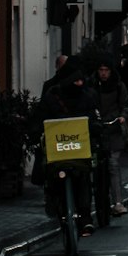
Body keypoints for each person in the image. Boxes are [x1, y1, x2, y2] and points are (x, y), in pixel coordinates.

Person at [36, 58, 99, 234]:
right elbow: (40, 116)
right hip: (66, 150)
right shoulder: (53, 96)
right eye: (76, 80)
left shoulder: (85, 96)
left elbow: (93, 117)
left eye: (81, 80)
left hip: (73, 149)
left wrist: (96, 127)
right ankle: (63, 209)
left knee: (83, 178)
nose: (80, 84)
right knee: (57, 180)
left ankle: (85, 217)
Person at [94, 59, 128, 216]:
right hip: (98, 129)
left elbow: (124, 105)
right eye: (101, 69)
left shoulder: (118, 85)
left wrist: (122, 116)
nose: (103, 73)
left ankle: (118, 202)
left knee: (113, 164)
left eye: (106, 70)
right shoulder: (93, 85)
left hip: (113, 128)